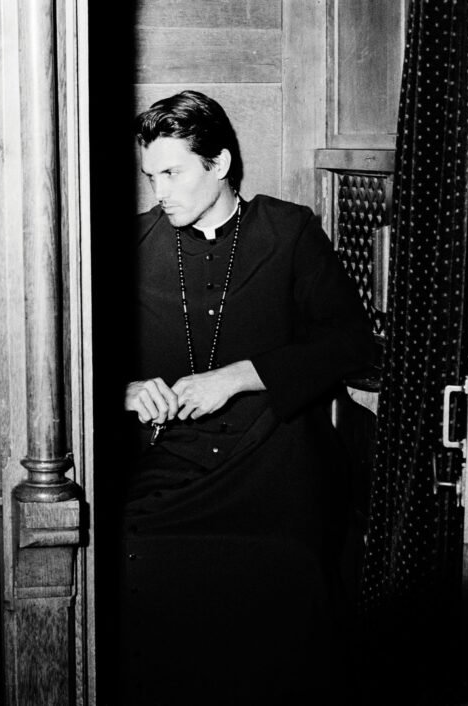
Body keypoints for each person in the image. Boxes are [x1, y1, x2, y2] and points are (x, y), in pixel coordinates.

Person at [117, 91, 375, 704]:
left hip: (277, 457)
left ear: (220, 163)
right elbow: (83, 358)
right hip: (172, 462)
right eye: (151, 177)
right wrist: (126, 390)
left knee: (288, 565)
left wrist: (238, 376)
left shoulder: (289, 231)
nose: (160, 192)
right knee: (134, 554)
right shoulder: (133, 245)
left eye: (173, 173)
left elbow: (352, 345)